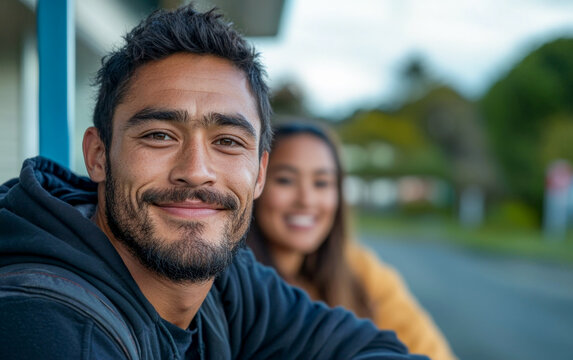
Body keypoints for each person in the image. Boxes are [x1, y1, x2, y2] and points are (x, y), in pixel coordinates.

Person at [0, 4, 430, 360]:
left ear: (259, 173)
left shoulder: (221, 278)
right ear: (98, 156)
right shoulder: (50, 329)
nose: (196, 169)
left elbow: (369, 347)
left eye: (227, 141)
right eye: (159, 135)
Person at [247, 122, 457, 360]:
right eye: (285, 180)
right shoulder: (230, 283)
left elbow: (430, 349)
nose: (306, 200)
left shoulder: (361, 269)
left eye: (322, 183)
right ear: (256, 183)